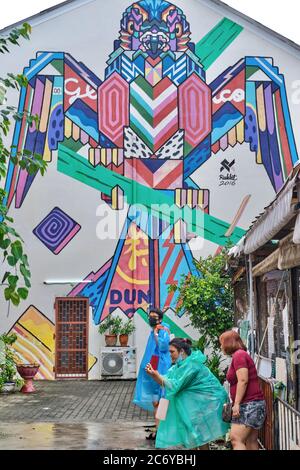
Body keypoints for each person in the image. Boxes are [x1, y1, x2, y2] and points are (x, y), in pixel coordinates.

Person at [145, 338, 229, 449]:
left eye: (172, 352)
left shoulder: (192, 366)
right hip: (195, 406)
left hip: (206, 404)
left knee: (200, 436)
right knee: (194, 437)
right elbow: (167, 380)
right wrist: (154, 375)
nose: (169, 355)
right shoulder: (178, 366)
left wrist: (156, 376)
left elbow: (175, 386)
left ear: (182, 351)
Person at [219, 330, 266, 451]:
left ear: (229, 343)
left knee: (236, 439)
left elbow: (243, 380)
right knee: (250, 441)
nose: (221, 346)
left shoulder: (239, 355)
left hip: (248, 404)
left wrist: (237, 404)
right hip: (253, 403)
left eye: (222, 343)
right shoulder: (241, 354)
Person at [133, 307, 171, 440]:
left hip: (162, 365)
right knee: (156, 401)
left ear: (160, 319)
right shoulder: (154, 330)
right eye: (150, 316)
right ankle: (158, 430)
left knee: (162, 399)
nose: (151, 319)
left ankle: (162, 431)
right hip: (154, 363)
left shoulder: (163, 330)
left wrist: (156, 334)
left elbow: (163, 347)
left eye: (154, 317)